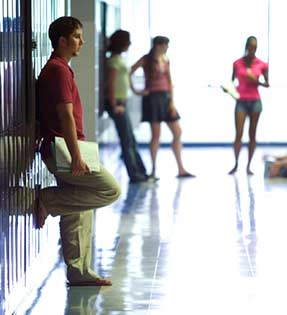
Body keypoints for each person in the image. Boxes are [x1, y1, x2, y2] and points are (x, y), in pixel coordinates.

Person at [36, 16, 121, 286]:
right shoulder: (58, 70)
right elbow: (66, 117)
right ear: (62, 41)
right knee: (109, 190)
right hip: (63, 152)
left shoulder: (60, 68)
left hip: (66, 149)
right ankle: (49, 201)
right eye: (77, 36)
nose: (82, 42)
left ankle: (79, 272)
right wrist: (76, 157)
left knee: (78, 210)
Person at [130, 36, 194, 179]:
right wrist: (136, 91)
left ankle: (181, 168)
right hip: (153, 98)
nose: (166, 48)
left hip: (166, 98)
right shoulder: (146, 59)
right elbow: (130, 71)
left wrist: (172, 102)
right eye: (165, 45)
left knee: (177, 132)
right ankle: (153, 170)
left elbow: (170, 82)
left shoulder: (165, 60)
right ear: (158, 45)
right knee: (156, 136)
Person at [105, 29, 149, 183]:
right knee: (127, 139)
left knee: (130, 138)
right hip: (117, 104)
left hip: (122, 102)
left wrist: (137, 92)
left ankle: (141, 172)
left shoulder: (120, 60)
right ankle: (135, 175)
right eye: (127, 41)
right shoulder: (113, 61)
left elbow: (125, 80)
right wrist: (114, 104)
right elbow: (110, 84)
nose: (129, 44)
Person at [226, 36, 269, 175]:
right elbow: (232, 82)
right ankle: (236, 163)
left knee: (252, 134)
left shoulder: (262, 64)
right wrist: (228, 88)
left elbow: (267, 84)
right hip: (241, 101)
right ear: (246, 46)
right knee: (238, 133)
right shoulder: (237, 63)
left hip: (255, 101)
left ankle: (249, 166)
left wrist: (255, 80)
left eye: (254, 47)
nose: (252, 49)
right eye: (250, 46)